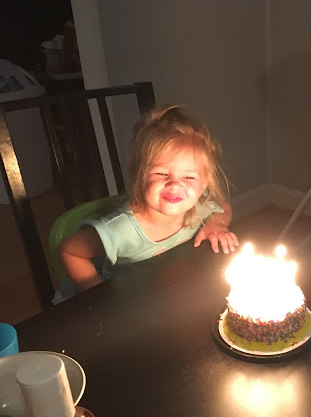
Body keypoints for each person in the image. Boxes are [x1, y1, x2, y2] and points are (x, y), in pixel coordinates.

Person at [54, 104, 239, 303]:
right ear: (140, 177)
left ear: (203, 186)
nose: (175, 184)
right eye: (162, 173)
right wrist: (100, 297)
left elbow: (223, 206)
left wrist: (216, 224)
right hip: (117, 304)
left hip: (161, 293)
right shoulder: (121, 229)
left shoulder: (197, 207)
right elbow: (69, 250)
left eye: (189, 177)